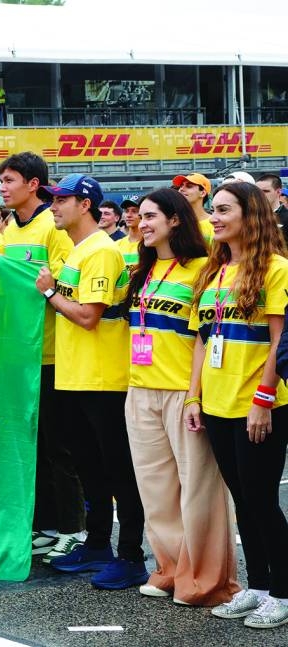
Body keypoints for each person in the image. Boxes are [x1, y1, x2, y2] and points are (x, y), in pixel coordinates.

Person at [124, 189, 238, 607]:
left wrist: (194, 396)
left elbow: (204, 340)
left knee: (199, 489)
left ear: (175, 219)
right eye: (140, 217)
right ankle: (170, 568)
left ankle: (207, 580)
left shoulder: (204, 269)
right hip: (140, 390)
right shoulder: (143, 270)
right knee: (155, 490)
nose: (142, 224)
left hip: (183, 392)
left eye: (151, 216)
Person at [36, 173, 147, 590]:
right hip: (75, 375)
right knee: (89, 468)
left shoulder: (100, 250)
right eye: (52, 200)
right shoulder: (78, 250)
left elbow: (88, 316)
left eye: (61, 200)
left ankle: (131, 555)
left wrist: (50, 294)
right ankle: (98, 543)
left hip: (103, 379)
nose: (54, 207)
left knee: (117, 471)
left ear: (85, 205)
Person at [186, 182, 288, 628]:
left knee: (262, 499)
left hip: (258, 404)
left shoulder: (277, 269)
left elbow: (280, 341)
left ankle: (283, 591)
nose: (214, 217)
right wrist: (194, 396)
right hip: (217, 404)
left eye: (224, 210)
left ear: (251, 215)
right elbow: (201, 339)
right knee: (243, 500)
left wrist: (262, 399)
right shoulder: (215, 271)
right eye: (213, 209)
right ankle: (259, 586)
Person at [0, 152, 83, 563]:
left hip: (51, 354)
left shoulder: (53, 226)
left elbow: (67, 283)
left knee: (60, 447)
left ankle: (74, 529)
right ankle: (46, 525)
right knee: (32, 446)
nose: (3, 187)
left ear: (33, 184)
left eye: (10, 180)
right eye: (1, 180)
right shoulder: (8, 229)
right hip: (20, 354)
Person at [172, 173, 214, 245]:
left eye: (189, 186)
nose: (181, 189)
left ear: (202, 193)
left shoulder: (214, 223)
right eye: (181, 186)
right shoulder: (174, 222)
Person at [116, 198, 143, 274]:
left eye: (134, 211)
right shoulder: (117, 244)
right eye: (126, 211)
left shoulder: (150, 245)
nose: (129, 215)